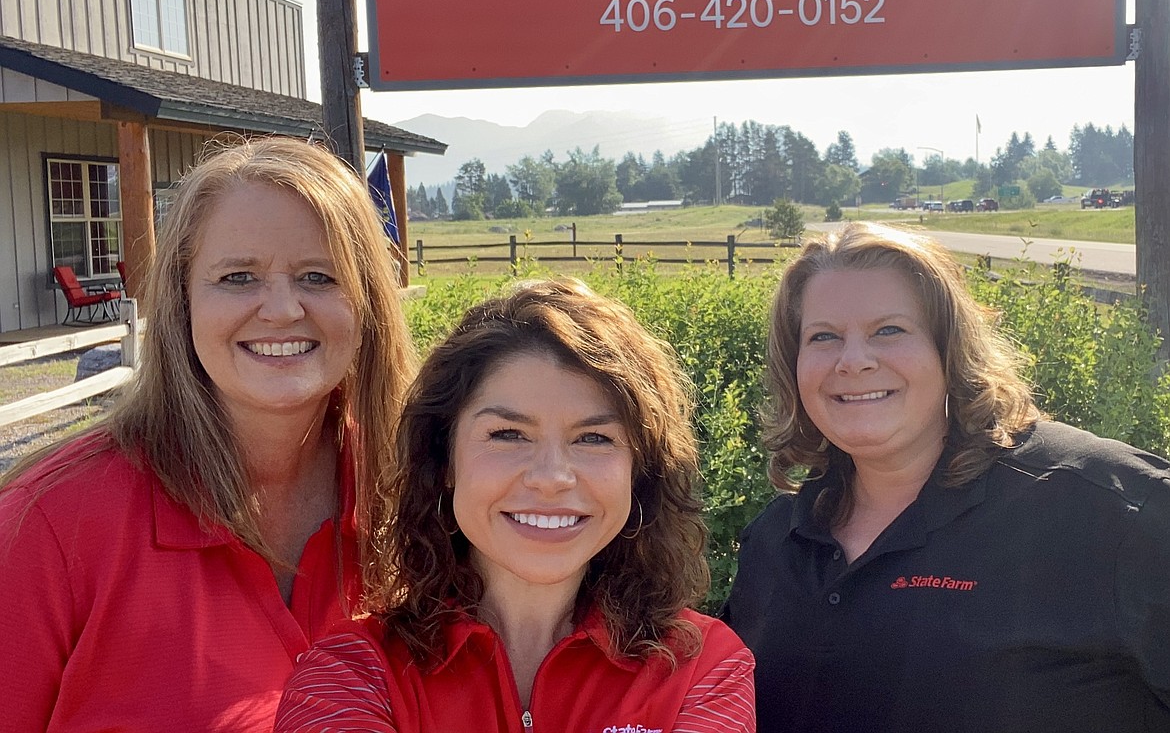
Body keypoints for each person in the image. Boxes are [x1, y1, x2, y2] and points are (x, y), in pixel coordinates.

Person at [0, 136, 416, 731]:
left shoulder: (426, 503)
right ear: (181, 301)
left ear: (369, 302)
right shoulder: (45, 527)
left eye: (319, 276)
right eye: (238, 276)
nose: (280, 309)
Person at [723, 221, 1170, 732]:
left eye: (888, 330)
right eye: (823, 336)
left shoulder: (1112, 514)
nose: (853, 361)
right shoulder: (775, 541)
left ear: (950, 349)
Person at [275, 279, 756, 733]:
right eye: (508, 434)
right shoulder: (349, 674)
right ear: (444, 460)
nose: (551, 478)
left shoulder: (705, 667)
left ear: (640, 470)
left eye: (594, 438)